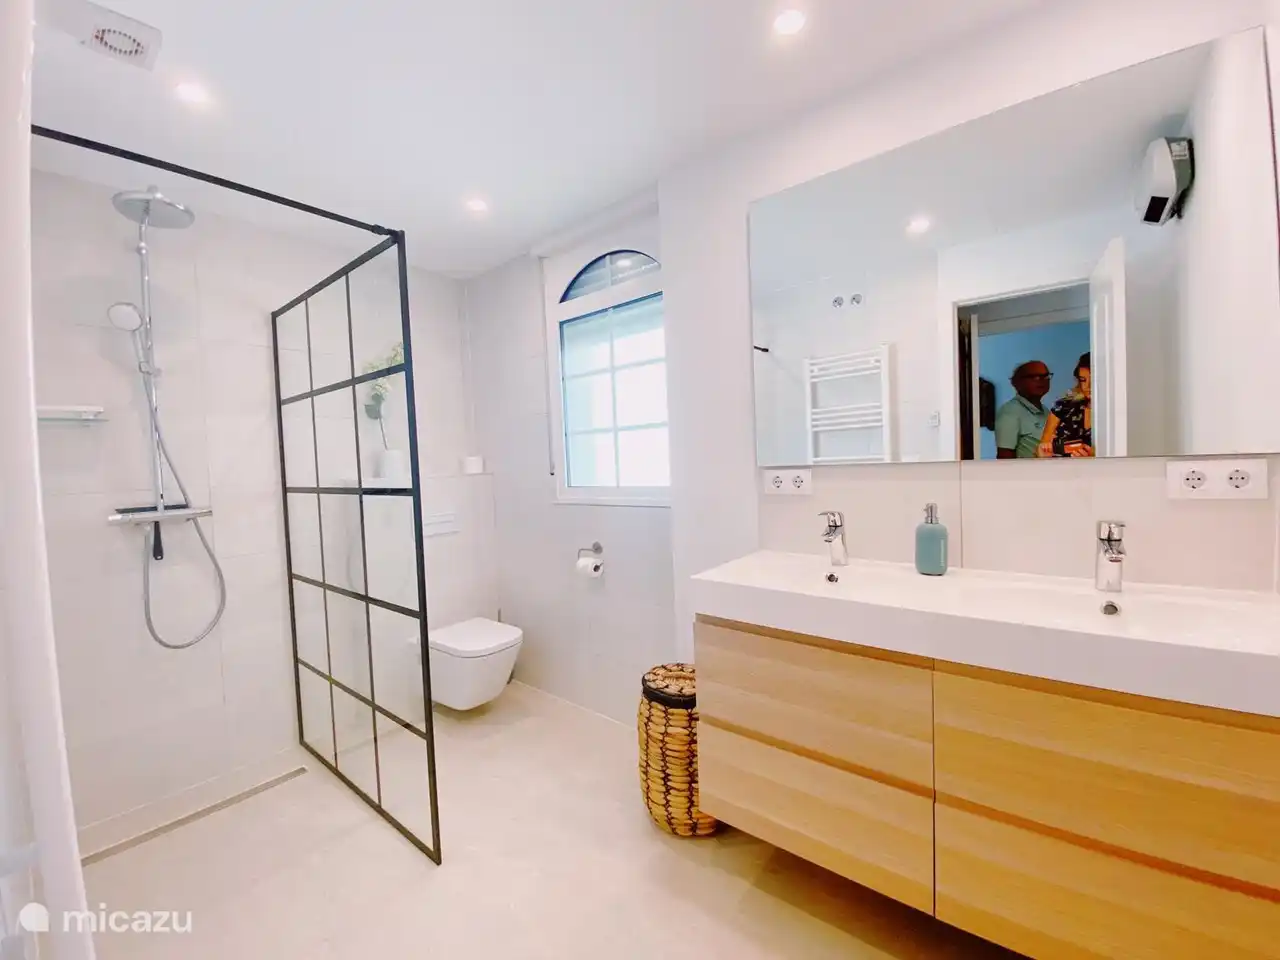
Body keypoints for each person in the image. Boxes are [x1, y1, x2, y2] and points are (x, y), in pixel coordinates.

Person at [1038, 352, 1092, 458]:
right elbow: (1042, 448)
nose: (1088, 386)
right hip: (1058, 472)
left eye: (1095, 379)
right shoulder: (1063, 406)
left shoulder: (1116, 414)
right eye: (1083, 380)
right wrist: (1043, 456)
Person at [993, 360, 1052, 458]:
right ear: (1017, 383)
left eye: (1045, 376)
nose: (1041, 380)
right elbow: (1004, 459)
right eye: (1034, 377)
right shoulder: (1010, 412)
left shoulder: (1045, 411)